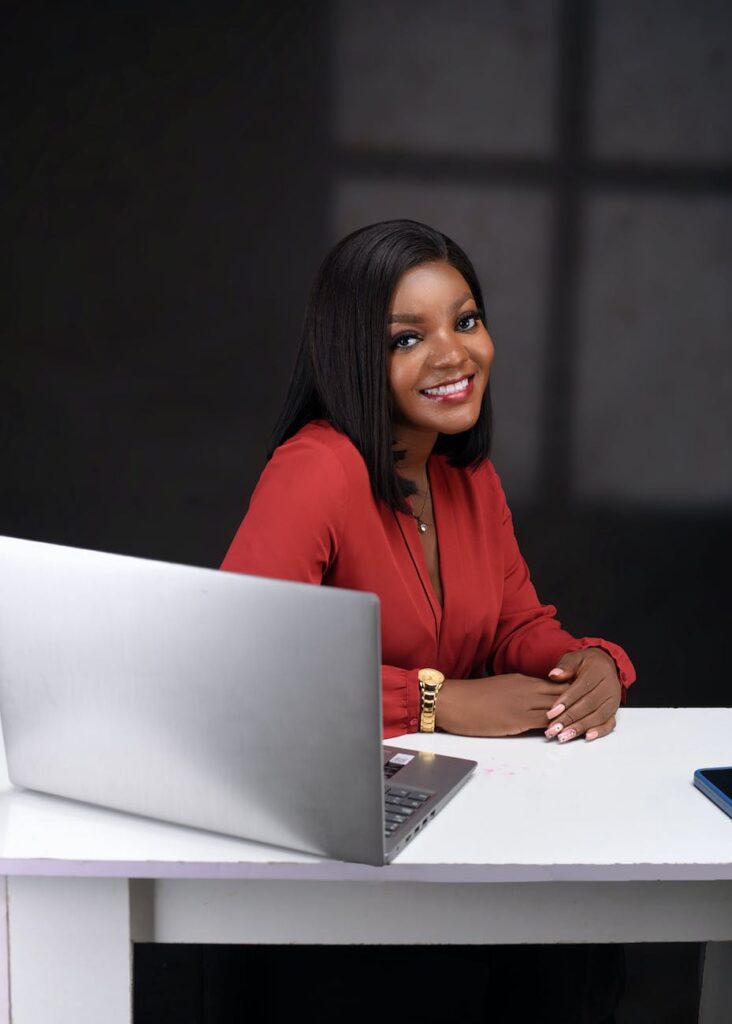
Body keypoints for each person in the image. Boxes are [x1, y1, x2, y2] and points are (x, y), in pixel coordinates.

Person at [219, 219, 634, 1023]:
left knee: (578, 947)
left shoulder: (466, 478)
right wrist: (438, 702)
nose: (454, 354)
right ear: (353, 355)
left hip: (459, 824)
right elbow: (242, 670)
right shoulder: (316, 471)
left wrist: (592, 663)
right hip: (337, 860)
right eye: (408, 337)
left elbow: (519, 627)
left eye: (466, 320)